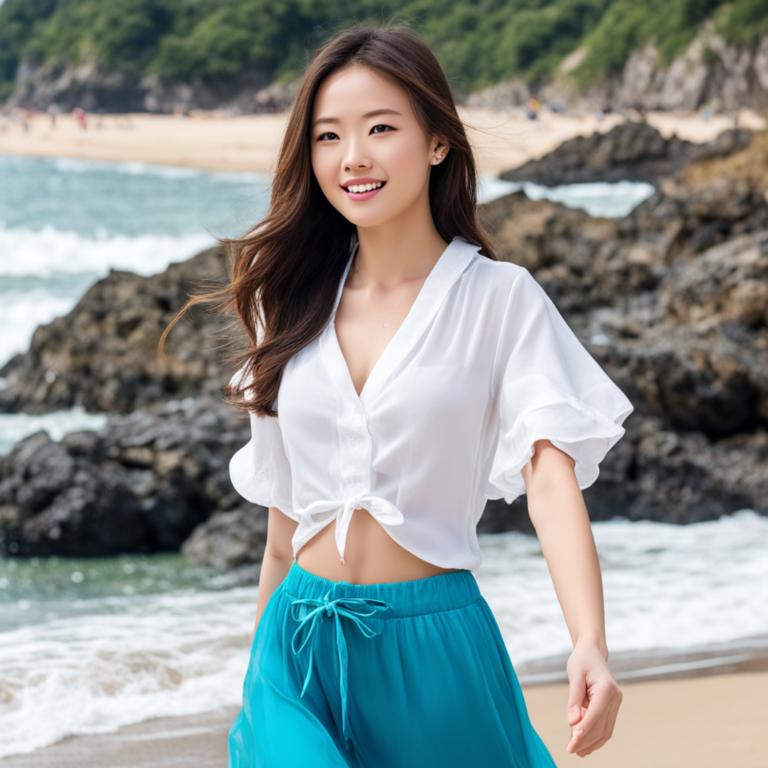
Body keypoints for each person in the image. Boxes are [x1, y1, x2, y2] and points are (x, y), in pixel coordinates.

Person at [163, 22, 633, 768]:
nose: (353, 157)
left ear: (437, 141)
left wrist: (590, 642)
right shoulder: (285, 301)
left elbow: (549, 477)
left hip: (434, 651)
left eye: (381, 128)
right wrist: (256, 676)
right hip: (296, 649)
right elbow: (285, 520)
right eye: (328, 136)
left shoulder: (499, 299)